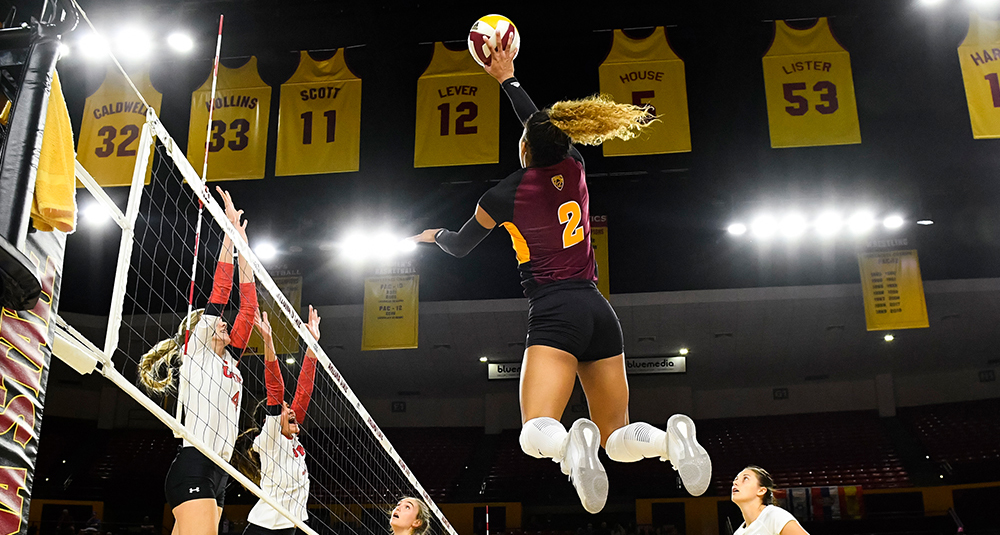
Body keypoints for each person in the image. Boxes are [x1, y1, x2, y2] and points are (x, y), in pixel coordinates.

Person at [411, 32, 710, 513]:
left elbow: (461, 246)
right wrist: (508, 79)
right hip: (598, 309)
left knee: (534, 431)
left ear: (525, 148)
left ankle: (571, 446)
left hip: (554, 310)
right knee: (616, 436)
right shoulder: (575, 165)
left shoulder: (502, 195)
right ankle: (670, 443)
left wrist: (433, 236)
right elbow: (541, 127)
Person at [138, 187, 258, 535]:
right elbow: (221, 292)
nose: (224, 321)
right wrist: (228, 231)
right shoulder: (198, 353)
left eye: (224, 321)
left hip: (219, 473)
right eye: (218, 320)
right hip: (194, 464)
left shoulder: (231, 362)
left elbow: (247, 309)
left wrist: (244, 247)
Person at [232, 306, 322, 535]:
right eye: (284, 409)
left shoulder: (290, 437)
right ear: (269, 419)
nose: (291, 411)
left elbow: (304, 390)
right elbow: (275, 388)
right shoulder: (270, 436)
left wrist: (313, 344)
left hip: (289, 525)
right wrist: (268, 340)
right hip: (265, 528)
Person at [731, 466, 809, 535]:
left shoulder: (774, 516)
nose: (735, 482)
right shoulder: (739, 532)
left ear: (761, 490)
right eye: (736, 479)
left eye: (745, 478)